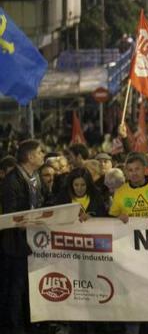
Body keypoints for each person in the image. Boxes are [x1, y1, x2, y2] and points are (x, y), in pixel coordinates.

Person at [1, 140, 45, 334]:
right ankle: (15, 327)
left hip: (32, 240)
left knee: (29, 286)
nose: (43, 155)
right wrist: (28, 222)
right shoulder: (12, 181)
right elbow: (11, 214)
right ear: (30, 157)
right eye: (40, 152)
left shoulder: (35, 177)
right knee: (16, 288)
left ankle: (30, 323)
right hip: (15, 245)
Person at [109, 153, 148, 225]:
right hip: (128, 234)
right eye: (130, 170)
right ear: (126, 173)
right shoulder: (120, 192)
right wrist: (118, 217)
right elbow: (112, 216)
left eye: (137, 169)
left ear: (144, 170)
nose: (134, 173)